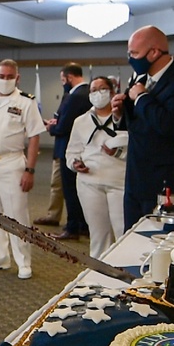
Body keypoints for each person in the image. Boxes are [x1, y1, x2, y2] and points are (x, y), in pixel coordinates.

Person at [111, 25, 174, 229]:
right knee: (130, 237)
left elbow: (168, 125)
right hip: (135, 175)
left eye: (134, 53)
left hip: (163, 179)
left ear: (154, 52)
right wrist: (119, 115)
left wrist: (142, 98)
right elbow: (137, 123)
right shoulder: (140, 79)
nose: (130, 59)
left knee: (157, 243)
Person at [0, 59, 45, 279]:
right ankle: (0, 256)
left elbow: (34, 137)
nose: (5, 80)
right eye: (1, 76)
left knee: (17, 214)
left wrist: (30, 170)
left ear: (17, 78)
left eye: (9, 77)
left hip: (12, 164)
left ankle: (23, 260)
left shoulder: (26, 102)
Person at [65, 76, 128, 258]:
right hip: (89, 183)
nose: (97, 93)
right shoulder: (81, 121)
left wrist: (117, 152)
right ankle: (98, 275)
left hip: (119, 182)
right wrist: (75, 164)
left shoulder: (124, 119)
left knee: (123, 231)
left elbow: (136, 150)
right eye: (93, 90)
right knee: (98, 233)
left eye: (102, 89)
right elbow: (72, 151)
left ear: (112, 92)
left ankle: (125, 274)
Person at [46, 63, 91, 241]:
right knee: (79, 190)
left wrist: (51, 128)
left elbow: (65, 127)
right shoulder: (88, 93)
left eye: (63, 80)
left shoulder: (75, 96)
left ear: (70, 77)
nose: (63, 83)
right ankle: (83, 225)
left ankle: (72, 228)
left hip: (68, 149)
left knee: (70, 191)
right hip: (84, 148)